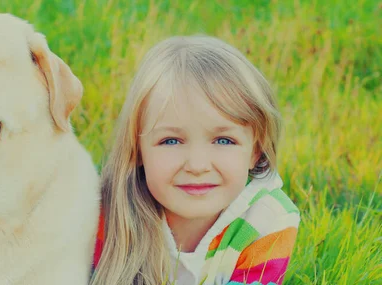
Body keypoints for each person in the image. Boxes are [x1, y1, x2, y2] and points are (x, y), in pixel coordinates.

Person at [90, 35, 300, 285]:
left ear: (256, 150)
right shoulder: (100, 214)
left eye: (223, 141)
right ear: (137, 150)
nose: (198, 166)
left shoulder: (267, 220)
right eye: (171, 141)